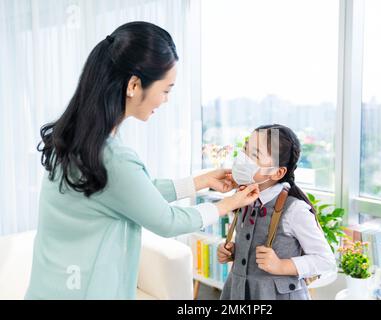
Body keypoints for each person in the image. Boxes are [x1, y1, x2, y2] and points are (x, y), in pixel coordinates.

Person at [25, 21, 259, 299]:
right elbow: (165, 220)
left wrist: (200, 181)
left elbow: (129, 193)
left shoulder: (75, 139)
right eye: (166, 90)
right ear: (134, 85)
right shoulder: (111, 156)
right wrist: (228, 204)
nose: (166, 100)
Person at [217, 124, 337, 300]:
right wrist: (235, 251)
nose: (243, 159)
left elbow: (326, 261)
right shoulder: (243, 197)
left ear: (278, 172)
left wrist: (282, 266)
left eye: (255, 155)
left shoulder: (295, 210)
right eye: (245, 149)